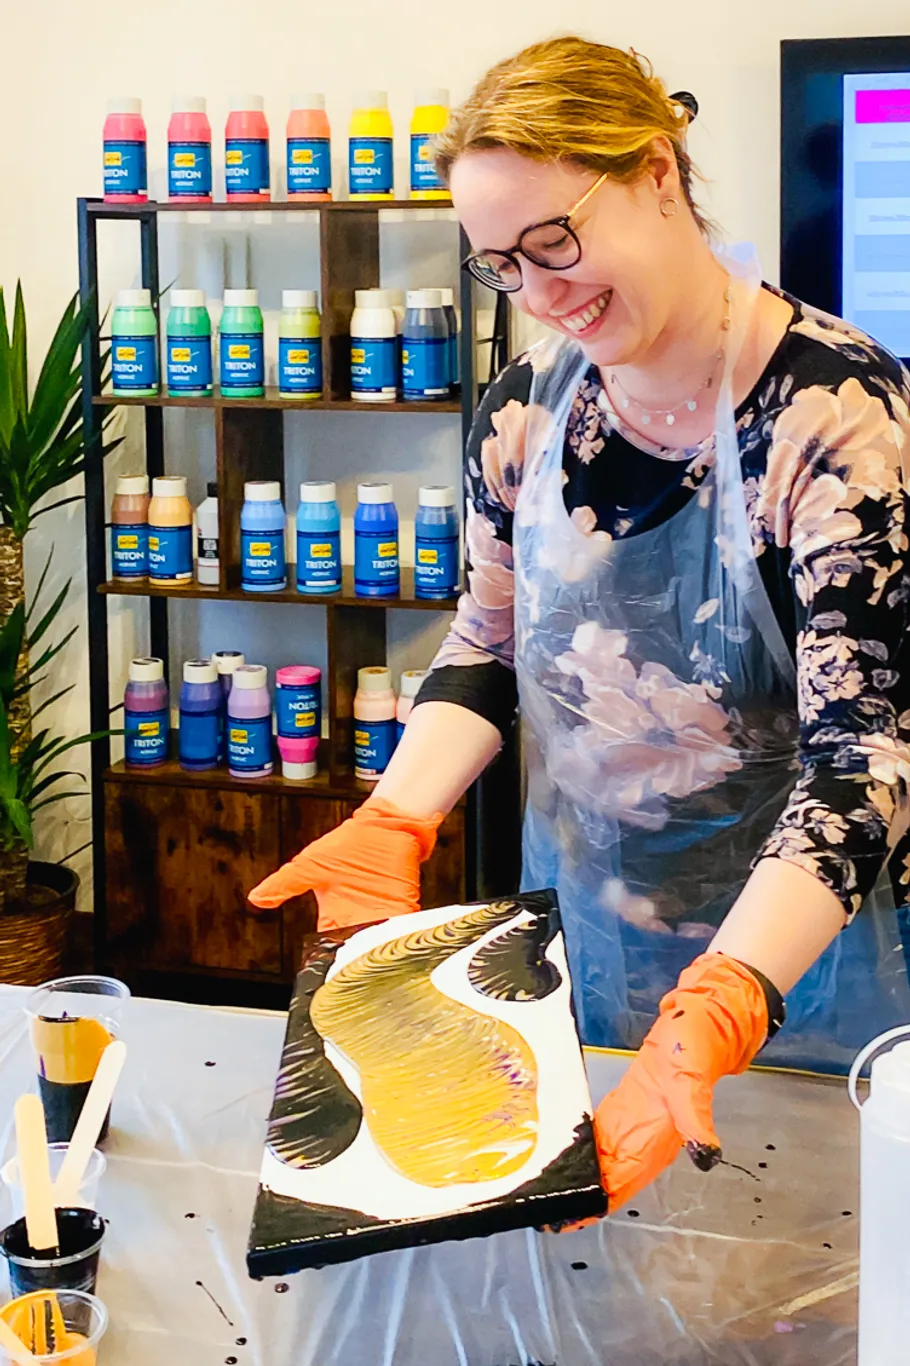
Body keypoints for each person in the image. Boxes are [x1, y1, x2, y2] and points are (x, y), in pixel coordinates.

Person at [250, 36, 910, 1213]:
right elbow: (486, 642)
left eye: (555, 241)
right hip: (586, 933)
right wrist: (396, 813)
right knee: (616, 1257)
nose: (541, 292)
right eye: (502, 264)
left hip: (793, 960)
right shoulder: (525, 414)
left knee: (801, 1254)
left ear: (658, 171)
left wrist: (723, 1001)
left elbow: (861, 756)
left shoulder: (831, 413)